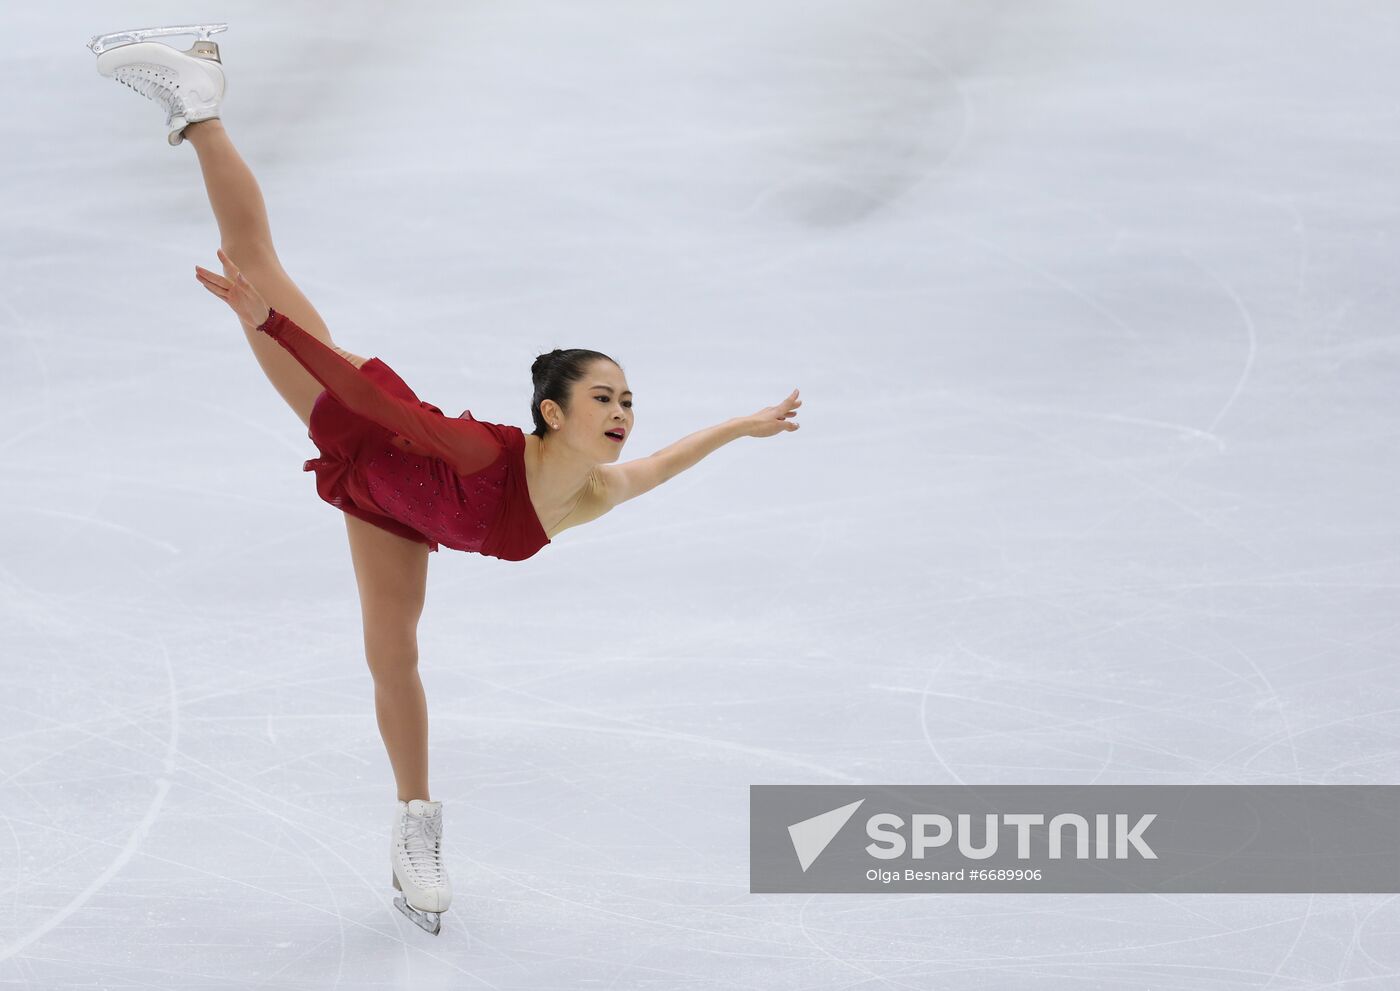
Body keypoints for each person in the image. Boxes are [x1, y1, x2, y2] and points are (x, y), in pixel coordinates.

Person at [89, 23, 802, 935]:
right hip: (364, 429)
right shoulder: (486, 455)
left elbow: (665, 462)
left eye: (628, 398)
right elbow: (384, 411)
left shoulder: (592, 492)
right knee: (256, 266)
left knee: (393, 658)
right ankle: (199, 102)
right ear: (553, 411)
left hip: (391, 509)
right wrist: (275, 329)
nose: (624, 414)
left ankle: (415, 825)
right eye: (603, 397)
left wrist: (741, 426)